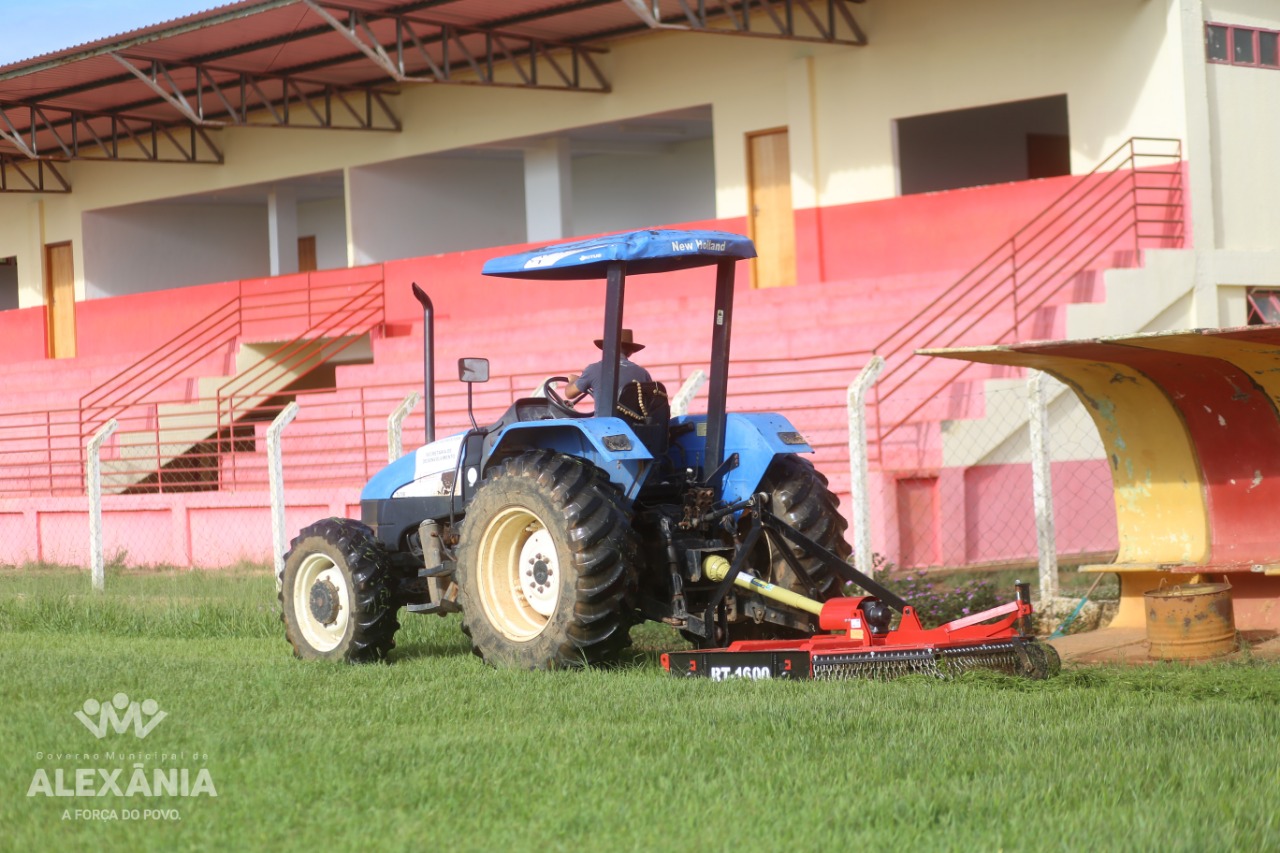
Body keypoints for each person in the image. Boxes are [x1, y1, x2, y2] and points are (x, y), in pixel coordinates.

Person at [565, 329, 652, 401]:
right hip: (632, 422)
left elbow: (569, 394)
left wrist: (573, 380)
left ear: (606, 349)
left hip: (604, 421)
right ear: (630, 352)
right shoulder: (643, 373)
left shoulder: (593, 370)